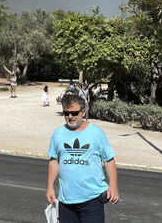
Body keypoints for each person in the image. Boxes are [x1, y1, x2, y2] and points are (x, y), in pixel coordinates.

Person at [46, 94, 119, 222]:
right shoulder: (58, 134)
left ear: (83, 112)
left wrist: (113, 185)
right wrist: (50, 187)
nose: (70, 117)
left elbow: (109, 160)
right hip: (66, 201)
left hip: (92, 199)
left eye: (74, 113)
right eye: (66, 113)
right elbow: (54, 161)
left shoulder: (96, 133)